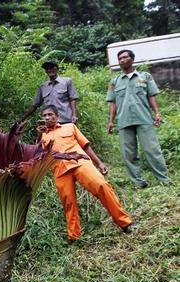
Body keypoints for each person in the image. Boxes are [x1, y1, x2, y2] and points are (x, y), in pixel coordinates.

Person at [36, 105, 135, 243]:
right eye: (44, 115)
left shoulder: (70, 127)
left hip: (80, 163)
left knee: (101, 185)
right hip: (60, 170)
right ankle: (74, 236)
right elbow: (38, 155)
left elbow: (86, 146)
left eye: (50, 114)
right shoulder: (43, 135)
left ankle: (125, 222)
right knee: (68, 203)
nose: (47, 117)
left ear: (57, 116)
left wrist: (99, 163)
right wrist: (39, 135)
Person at [106, 49, 171, 188]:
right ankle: (138, 182)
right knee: (128, 154)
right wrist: (111, 121)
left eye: (125, 57)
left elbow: (151, 96)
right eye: (120, 59)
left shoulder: (145, 77)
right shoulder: (114, 82)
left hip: (144, 119)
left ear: (132, 59)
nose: (122, 60)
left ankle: (164, 180)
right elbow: (113, 103)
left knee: (152, 150)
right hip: (124, 121)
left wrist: (157, 113)